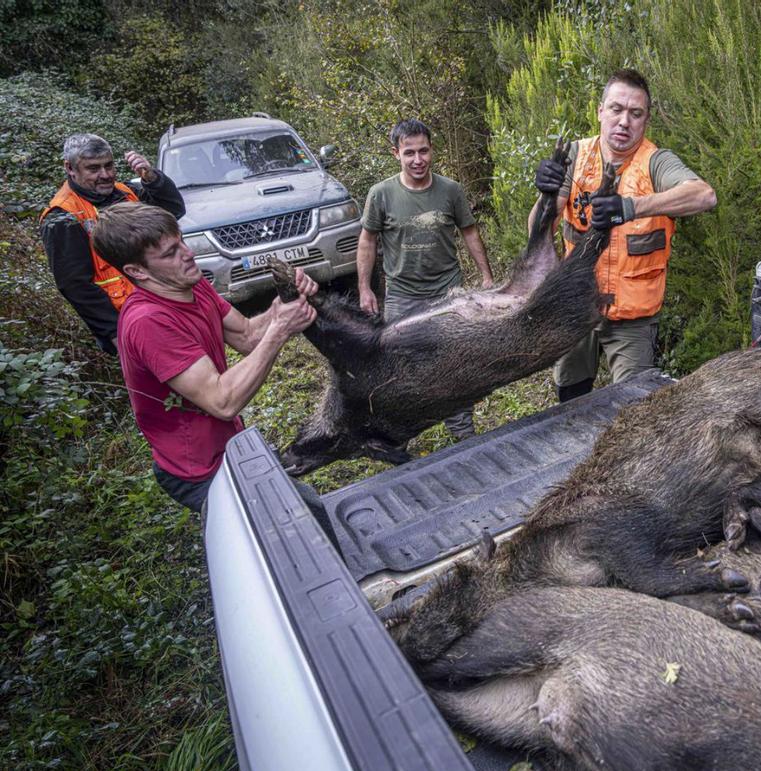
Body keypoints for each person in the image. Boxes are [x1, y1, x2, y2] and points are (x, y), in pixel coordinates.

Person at [91, 201, 334, 536]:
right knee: (298, 520)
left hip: (228, 445)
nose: (187, 254)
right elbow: (222, 401)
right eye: (170, 252)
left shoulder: (190, 283)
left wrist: (282, 307)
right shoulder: (149, 322)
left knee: (302, 517)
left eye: (182, 242)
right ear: (137, 271)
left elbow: (248, 336)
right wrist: (280, 330)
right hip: (197, 469)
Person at [530, 68, 717, 402]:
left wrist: (631, 207)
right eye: (616, 109)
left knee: (633, 409)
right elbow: (537, 231)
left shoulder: (656, 162)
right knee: (570, 396)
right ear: (600, 111)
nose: (624, 122)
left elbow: (704, 196)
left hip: (632, 318)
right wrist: (545, 196)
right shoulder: (575, 156)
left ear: (646, 121)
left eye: (636, 114)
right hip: (577, 303)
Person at [355, 118, 493, 440]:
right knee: (401, 370)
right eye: (410, 153)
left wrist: (486, 277)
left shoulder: (451, 191)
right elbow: (367, 241)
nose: (418, 160)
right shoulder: (381, 194)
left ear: (432, 150)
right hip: (403, 296)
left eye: (424, 151)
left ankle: (464, 435)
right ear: (396, 154)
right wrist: (364, 288)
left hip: (448, 293)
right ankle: (402, 438)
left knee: (454, 366)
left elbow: (470, 232)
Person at [40, 133, 185, 356]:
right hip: (128, 322)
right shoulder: (62, 216)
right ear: (70, 168)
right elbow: (76, 286)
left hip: (166, 305)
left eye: (109, 166)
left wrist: (153, 179)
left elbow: (174, 211)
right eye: (93, 168)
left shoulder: (127, 192)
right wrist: (117, 334)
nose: (105, 175)